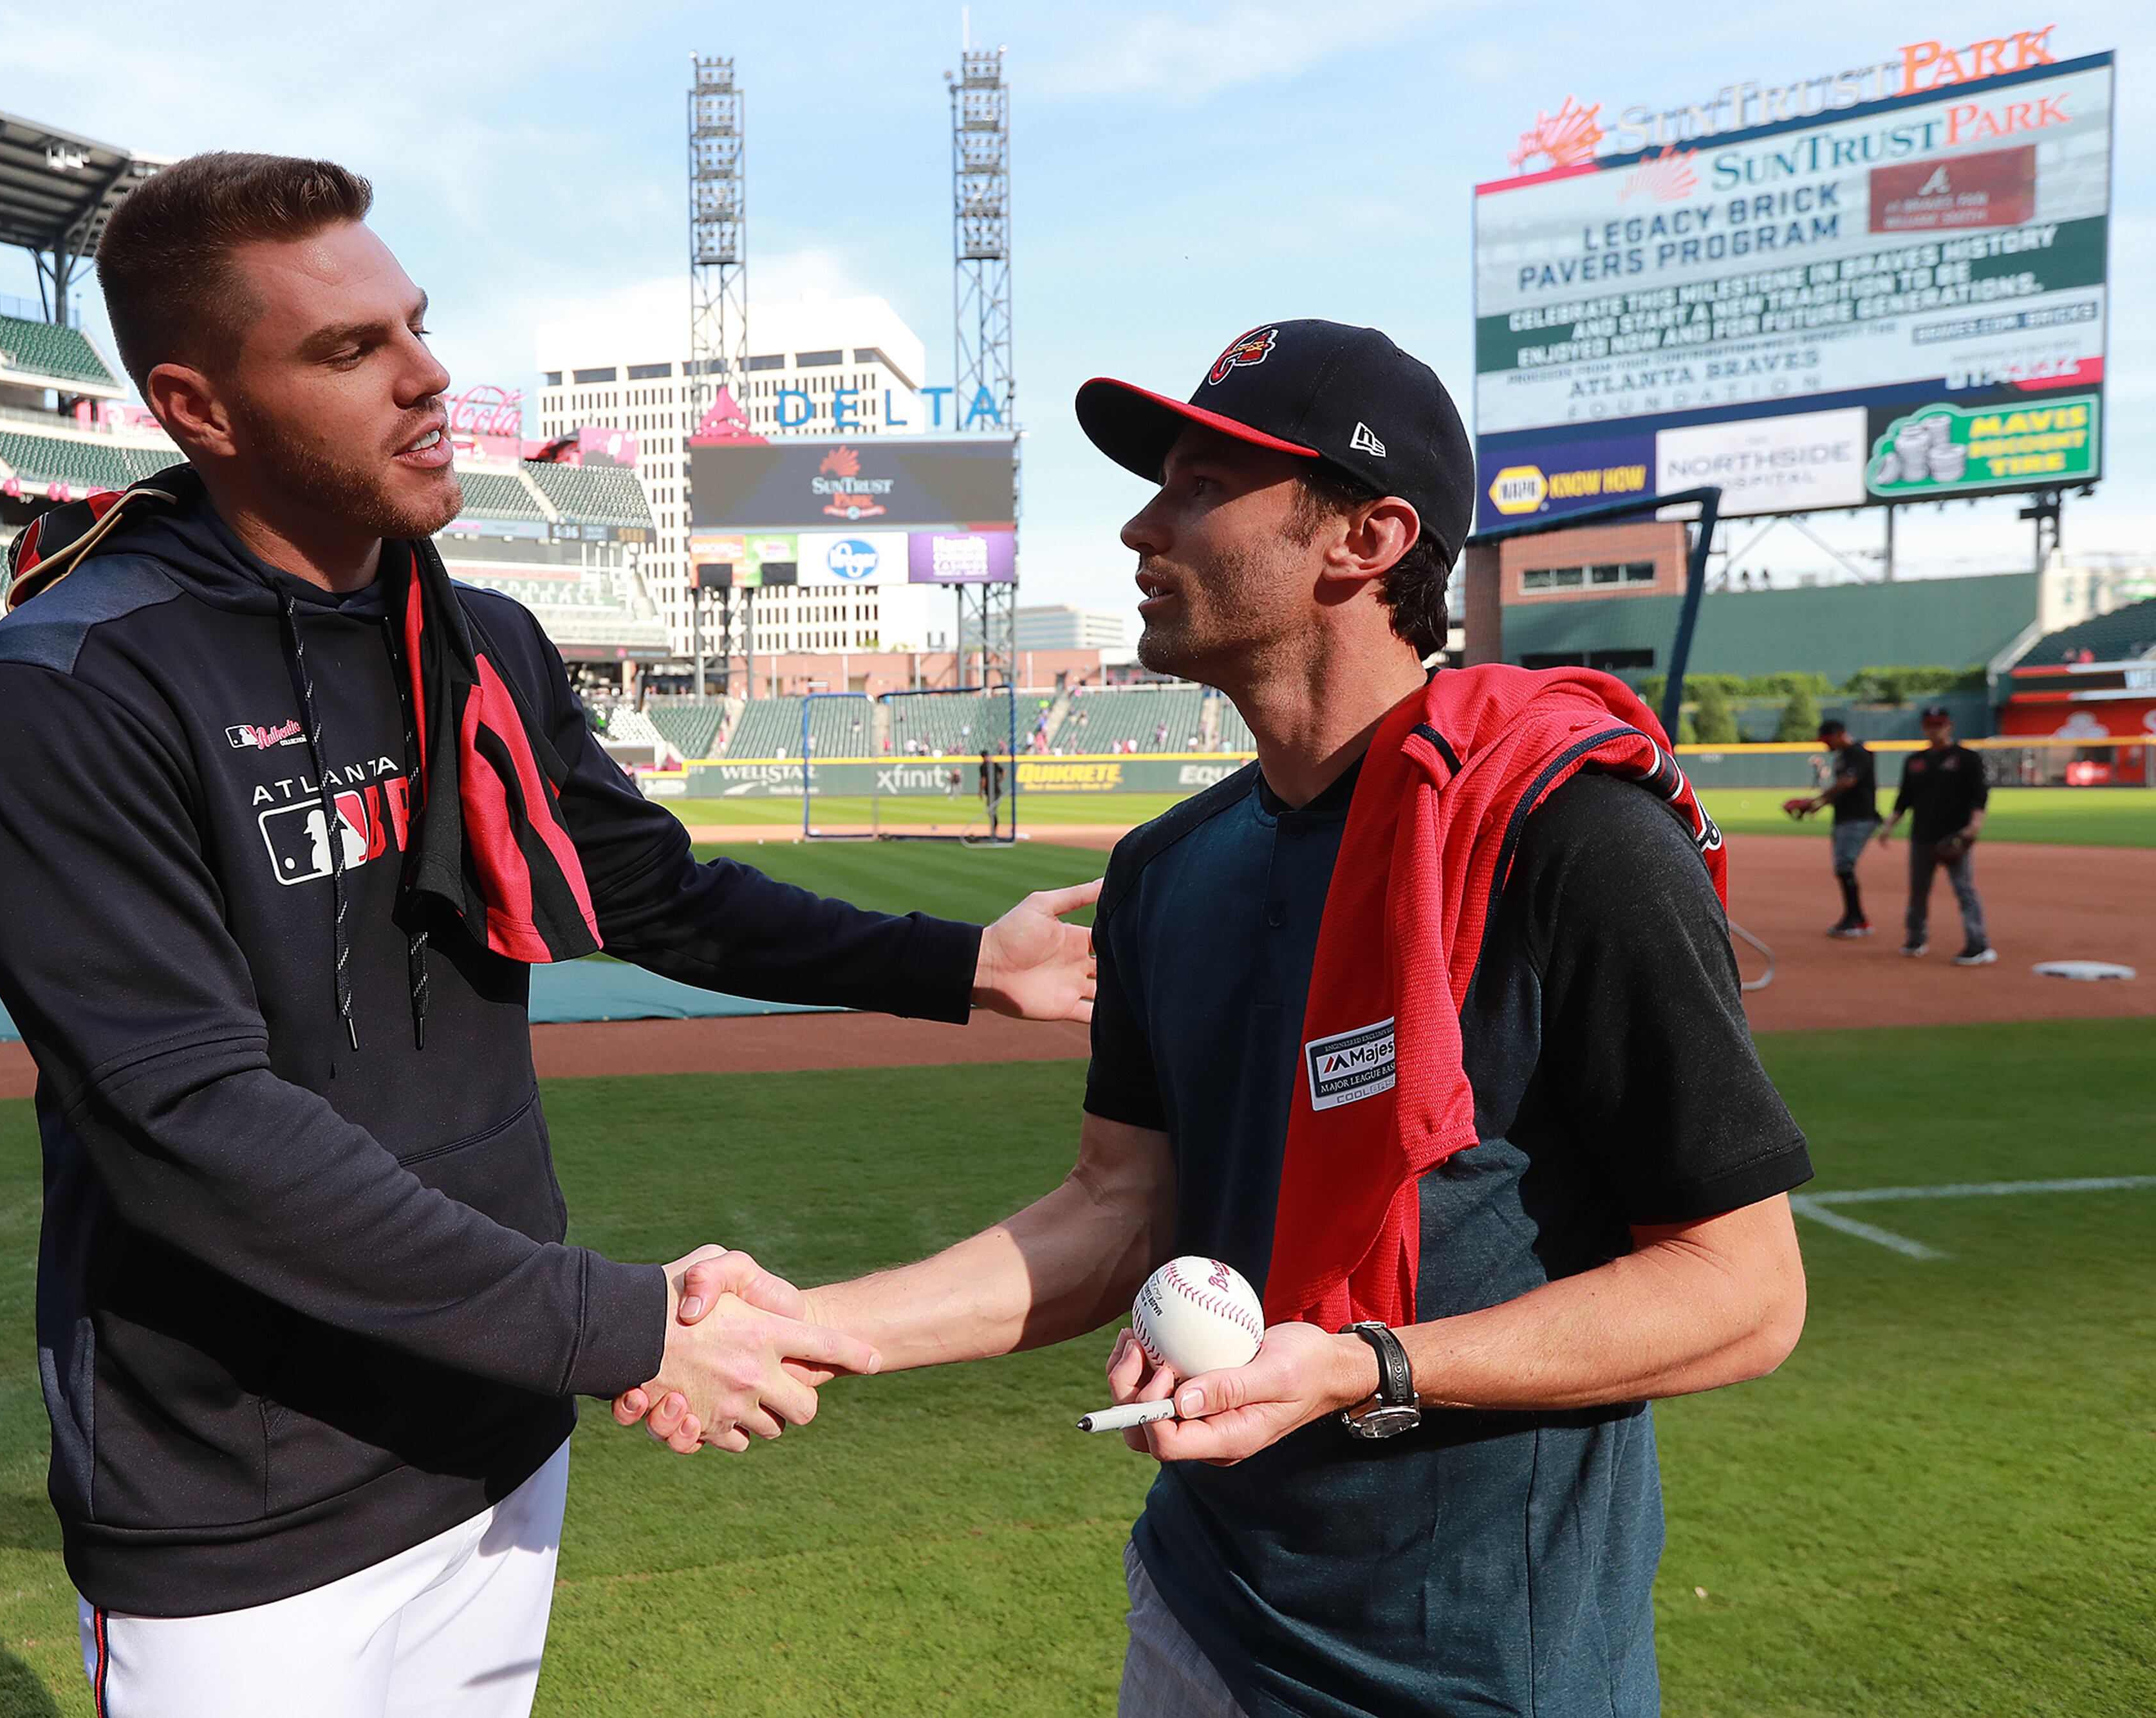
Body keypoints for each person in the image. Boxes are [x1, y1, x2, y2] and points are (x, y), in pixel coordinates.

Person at [0, 154, 1097, 1718]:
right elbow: (191, 1123)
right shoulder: (70, 688)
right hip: (244, 1487)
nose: (428, 375)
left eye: (414, 323)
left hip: (493, 1417)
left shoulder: (473, 631)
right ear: (200, 409)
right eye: (348, 350)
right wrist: (625, 1329)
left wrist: (960, 966)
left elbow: (650, 889)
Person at [636, 320, 1811, 1717]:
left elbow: (1742, 1289)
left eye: (1199, 485)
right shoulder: (1165, 870)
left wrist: (1370, 1366)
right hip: (1202, 1617)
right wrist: (817, 1321)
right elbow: (1117, 1210)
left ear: (1365, 539)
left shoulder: (1570, 836)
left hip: (1480, 1670)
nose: (1141, 523)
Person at [1879, 704, 1993, 964]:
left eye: (1940, 724)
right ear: (1924, 728)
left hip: (1954, 837)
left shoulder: (1967, 758)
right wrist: (1889, 826)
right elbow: (1904, 799)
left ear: (1949, 726)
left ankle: (1979, 945)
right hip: (1922, 836)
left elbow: (1979, 797)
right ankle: (1916, 938)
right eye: (1931, 725)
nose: (1935, 729)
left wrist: (1974, 826)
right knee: (1918, 891)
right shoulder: (1915, 761)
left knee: (1964, 890)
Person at [1784, 718, 1880, 935]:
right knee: (1844, 867)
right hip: (1847, 817)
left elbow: (1848, 783)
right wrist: (1815, 806)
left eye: (1828, 740)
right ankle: (1857, 918)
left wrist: (1813, 800)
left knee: (1845, 866)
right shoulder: (1844, 756)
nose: (1825, 745)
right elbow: (1841, 791)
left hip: (1859, 817)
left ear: (1839, 734)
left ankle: (1856, 920)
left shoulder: (1858, 753)